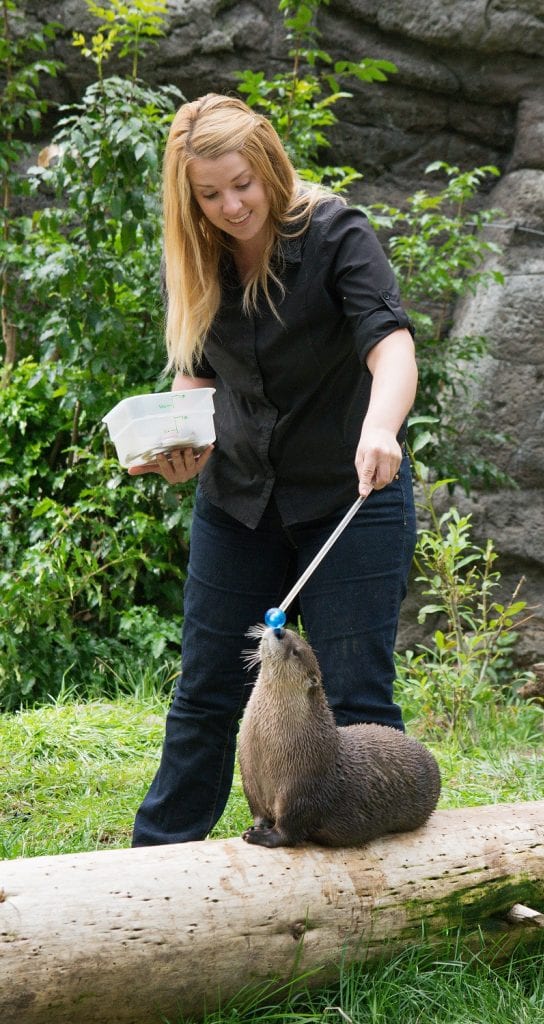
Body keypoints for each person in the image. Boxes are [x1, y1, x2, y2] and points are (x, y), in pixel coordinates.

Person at [130, 93, 418, 846]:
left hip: (351, 493)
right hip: (239, 504)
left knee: (356, 704)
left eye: (241, 184)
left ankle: (377, 907)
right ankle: (157, 865)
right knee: (205, 693)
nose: (230, 205)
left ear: (268, 166)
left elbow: (391, 345)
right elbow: (197, 382)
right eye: (210, 193)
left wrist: (381, 428)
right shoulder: (194, 259)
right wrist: (182, 447)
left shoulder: (335, 233)